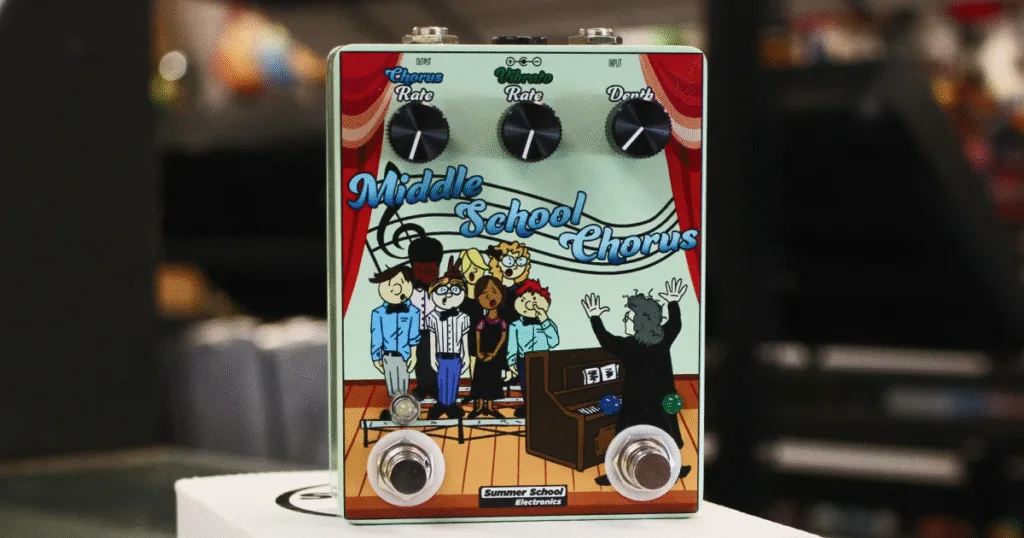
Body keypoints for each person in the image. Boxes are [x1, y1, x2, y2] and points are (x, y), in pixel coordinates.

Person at [581, 278, 692, 485]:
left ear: (640, 322)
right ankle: (674, 467)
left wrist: (595, 317)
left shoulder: (628, 345)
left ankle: (617, 473)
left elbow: (606, 340)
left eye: (629, 317)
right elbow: (675, 324)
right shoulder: (662, 338)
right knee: (666, 432)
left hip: (636, 401)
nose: (626, 320)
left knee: (625, 434)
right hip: (660, 399)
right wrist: (673, 303)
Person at [367, 266, 420, 421]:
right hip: (387, 355)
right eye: (389, 283)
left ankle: (404, 412)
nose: (396, 288)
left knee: (403, 384)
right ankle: (396, 410)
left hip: (404, 355)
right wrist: (376, 357)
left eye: (402, 282)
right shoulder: (378, 313)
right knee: (392, 385)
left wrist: (414, 355)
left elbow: (414, 336)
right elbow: (376, 335)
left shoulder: (413, 312)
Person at [425, 260, 472, 419]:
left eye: (455, 290)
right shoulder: (432, 317)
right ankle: (442, 404)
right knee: (441, 380)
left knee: (453, 380)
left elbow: (464, 338)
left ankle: (450, 404)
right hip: (441, 355)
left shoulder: (463, 317)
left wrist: (466, 356)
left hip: (456, 356)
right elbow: (433, 338)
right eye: (443, 290)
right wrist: (432, 357)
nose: (449, 294)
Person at [506, 279, 559, 418]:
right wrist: (511, 361)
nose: (529, 304)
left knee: (543, 385)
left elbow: (554, 342)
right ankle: (528, 407)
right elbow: (512, 345)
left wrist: (545, 321)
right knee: (526, 386)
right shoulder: (515, 325)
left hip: (543, 358)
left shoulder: (547, 323)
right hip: (523, 360)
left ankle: (542, 407)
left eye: (534, 299)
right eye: (523, 300)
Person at [407, 237, 443, 401]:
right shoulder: (409, 289)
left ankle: (436, 387)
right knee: (420, 361)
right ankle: (422, 386)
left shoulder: (442, 288)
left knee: (436, 359)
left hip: (436, 330)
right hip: (416, 331)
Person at [468, 276, 508, 418]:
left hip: (494, 357)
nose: (490, 296)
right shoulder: (482, 321)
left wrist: (494, 353)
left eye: (494, 291)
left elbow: (502, 338)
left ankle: (490, 407)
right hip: (482, 356)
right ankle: (479, 407)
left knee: (492, 380)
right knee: (480, 380)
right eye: (484, 293)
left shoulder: (502, 322)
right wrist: (479, 352)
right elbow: (478, 335)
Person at [486, 241, 531, 325]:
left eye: (520, 261)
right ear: (497, 263)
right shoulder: (493, 287)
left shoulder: (523, 288)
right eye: (509, 261)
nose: (515, 266)